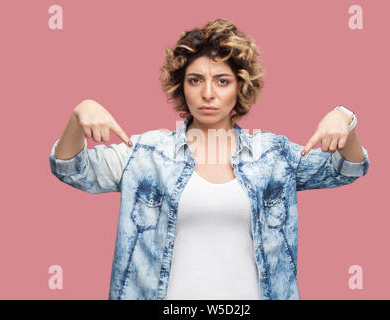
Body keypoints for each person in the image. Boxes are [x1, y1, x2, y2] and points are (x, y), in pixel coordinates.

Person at [49, 18, 370, 300]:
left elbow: (347, 169)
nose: (208, 93)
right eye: (195, 80)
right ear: (181, 86)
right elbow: (71, 169)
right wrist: (80, 113)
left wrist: (345, 118)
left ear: (239, 88)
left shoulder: (272, 155)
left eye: (222, 81)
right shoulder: (145, 153)